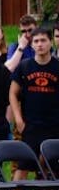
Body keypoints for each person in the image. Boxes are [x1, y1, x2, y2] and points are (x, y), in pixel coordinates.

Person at [10, 27, 59, 165]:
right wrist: (18, 120)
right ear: (31, 45)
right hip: (30, 125)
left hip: (54, 126)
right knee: (23, 167)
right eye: (36, 41)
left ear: (50, 42)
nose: (40, 44)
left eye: (43, 40)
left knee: (50, 169)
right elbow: (12, 93)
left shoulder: (57, 67)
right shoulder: (24, 66)